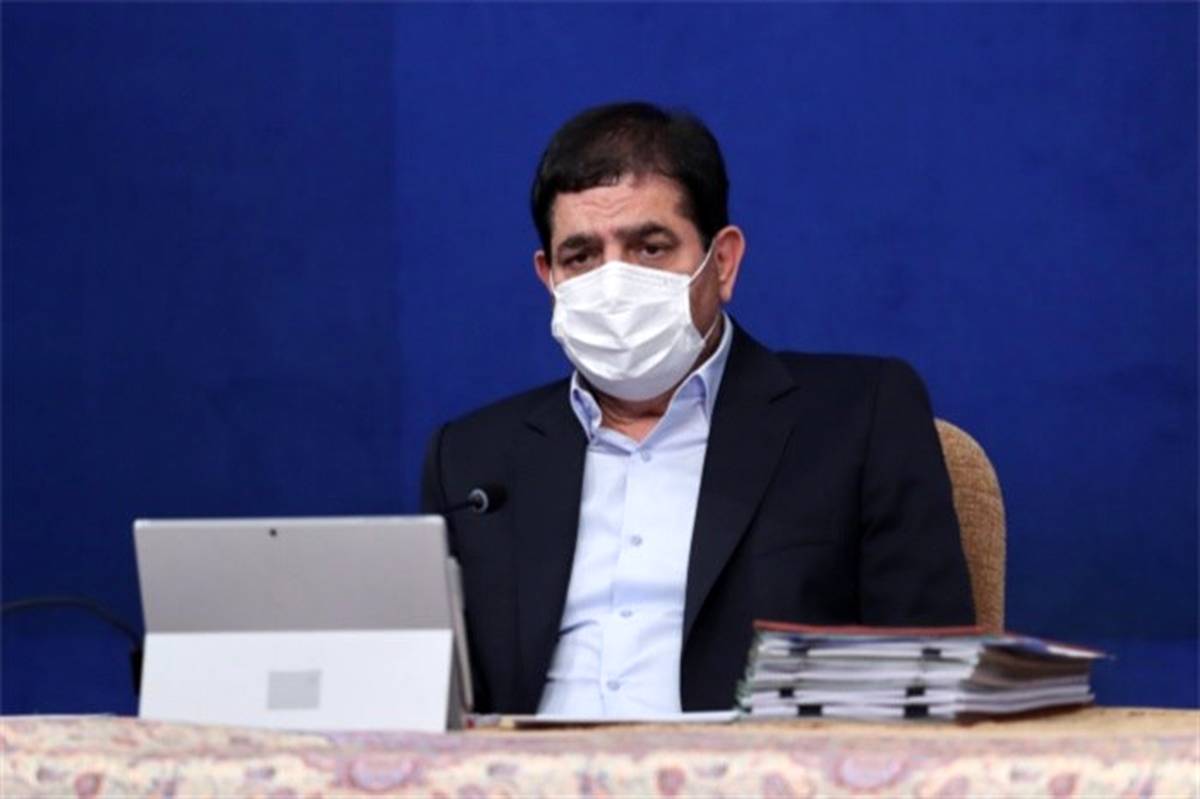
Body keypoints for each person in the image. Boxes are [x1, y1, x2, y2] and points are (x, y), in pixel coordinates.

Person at [421, 101, 973, 717]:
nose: (613, 284)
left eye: (649, 248)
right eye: (581, 257)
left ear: (723, 262)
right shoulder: (472, 461)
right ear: (549, 279)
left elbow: (930, 684)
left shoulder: (857, 419)